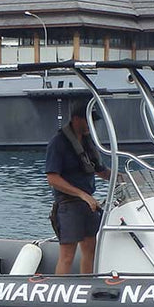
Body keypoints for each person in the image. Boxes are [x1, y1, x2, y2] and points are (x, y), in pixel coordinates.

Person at [45, 100, 111, 275]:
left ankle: (87, 286)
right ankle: (60, 293)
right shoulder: (58, 143)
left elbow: (101, 170)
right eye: (88, 120)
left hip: (88, 204)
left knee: (90, 249)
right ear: (76, 119)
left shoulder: (87, 142)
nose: (92, 124)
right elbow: (52, 178)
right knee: (67, 255)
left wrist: (125, 178)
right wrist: (82, 195)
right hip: (68, 205)